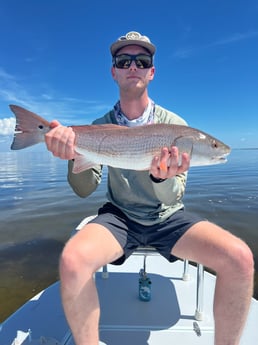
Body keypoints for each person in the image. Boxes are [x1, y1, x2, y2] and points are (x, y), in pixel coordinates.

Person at [45, 31, 254, 345]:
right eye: (123, 60)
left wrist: (160, 179)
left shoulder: (176, 125)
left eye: (142, 61)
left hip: (166, 216)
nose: (133, 66)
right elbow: (85, 189)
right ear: (113, 71)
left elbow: (175, 196)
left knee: (240, 258)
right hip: (119, 217)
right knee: (72, 260)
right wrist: (72, 156)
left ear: (151, 72)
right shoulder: (96, 126)